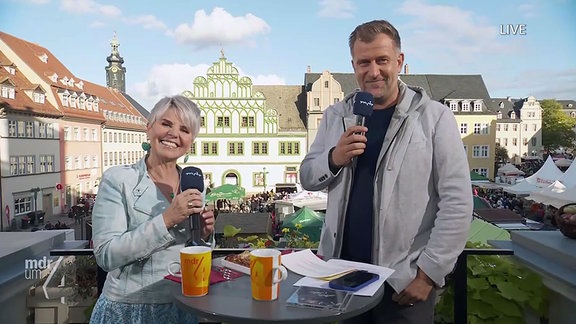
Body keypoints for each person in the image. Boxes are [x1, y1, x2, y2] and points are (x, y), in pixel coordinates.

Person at [299, 20, 472, 323]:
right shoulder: (336, 115)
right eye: (364, 62)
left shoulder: (434, 118)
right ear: (353, 65)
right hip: (341, 278)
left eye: (382, 60)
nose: (374, 71)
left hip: (401, 283)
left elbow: (457, 204)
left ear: (400, 62)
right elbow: (308, 176)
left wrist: (429, 274)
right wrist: (334, 157)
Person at [90, 95, 215, 324]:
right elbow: (106, 255)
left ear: (191, 141)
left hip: (183, 305)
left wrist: (204, 236)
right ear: (149, 128)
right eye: (166, 124)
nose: (174, 134)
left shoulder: (193, 182)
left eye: (185, 129)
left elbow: (191, 251)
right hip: (130, 308)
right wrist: (166, 219)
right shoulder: (118, 180)